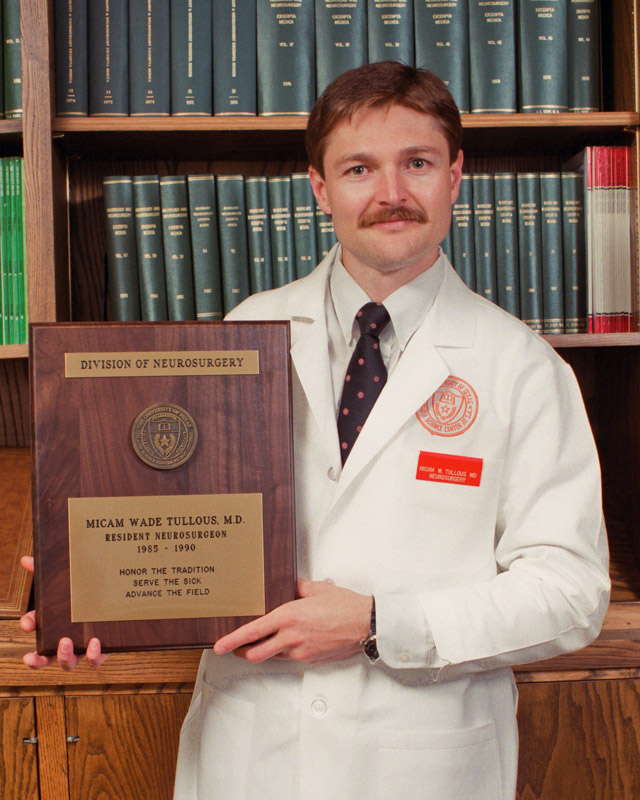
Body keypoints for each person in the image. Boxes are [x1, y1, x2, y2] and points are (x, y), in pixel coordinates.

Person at [21, 62, 609, 799]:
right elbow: (175, 519)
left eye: (417, 163)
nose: (391, 193)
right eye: (359, 168)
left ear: (456, 176)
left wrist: (376, 624)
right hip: (252, 750)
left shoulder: (522, 366)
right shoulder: (243, 334)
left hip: (423, 764)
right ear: (320, 189)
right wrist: (93, 589)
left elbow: (570, 593)